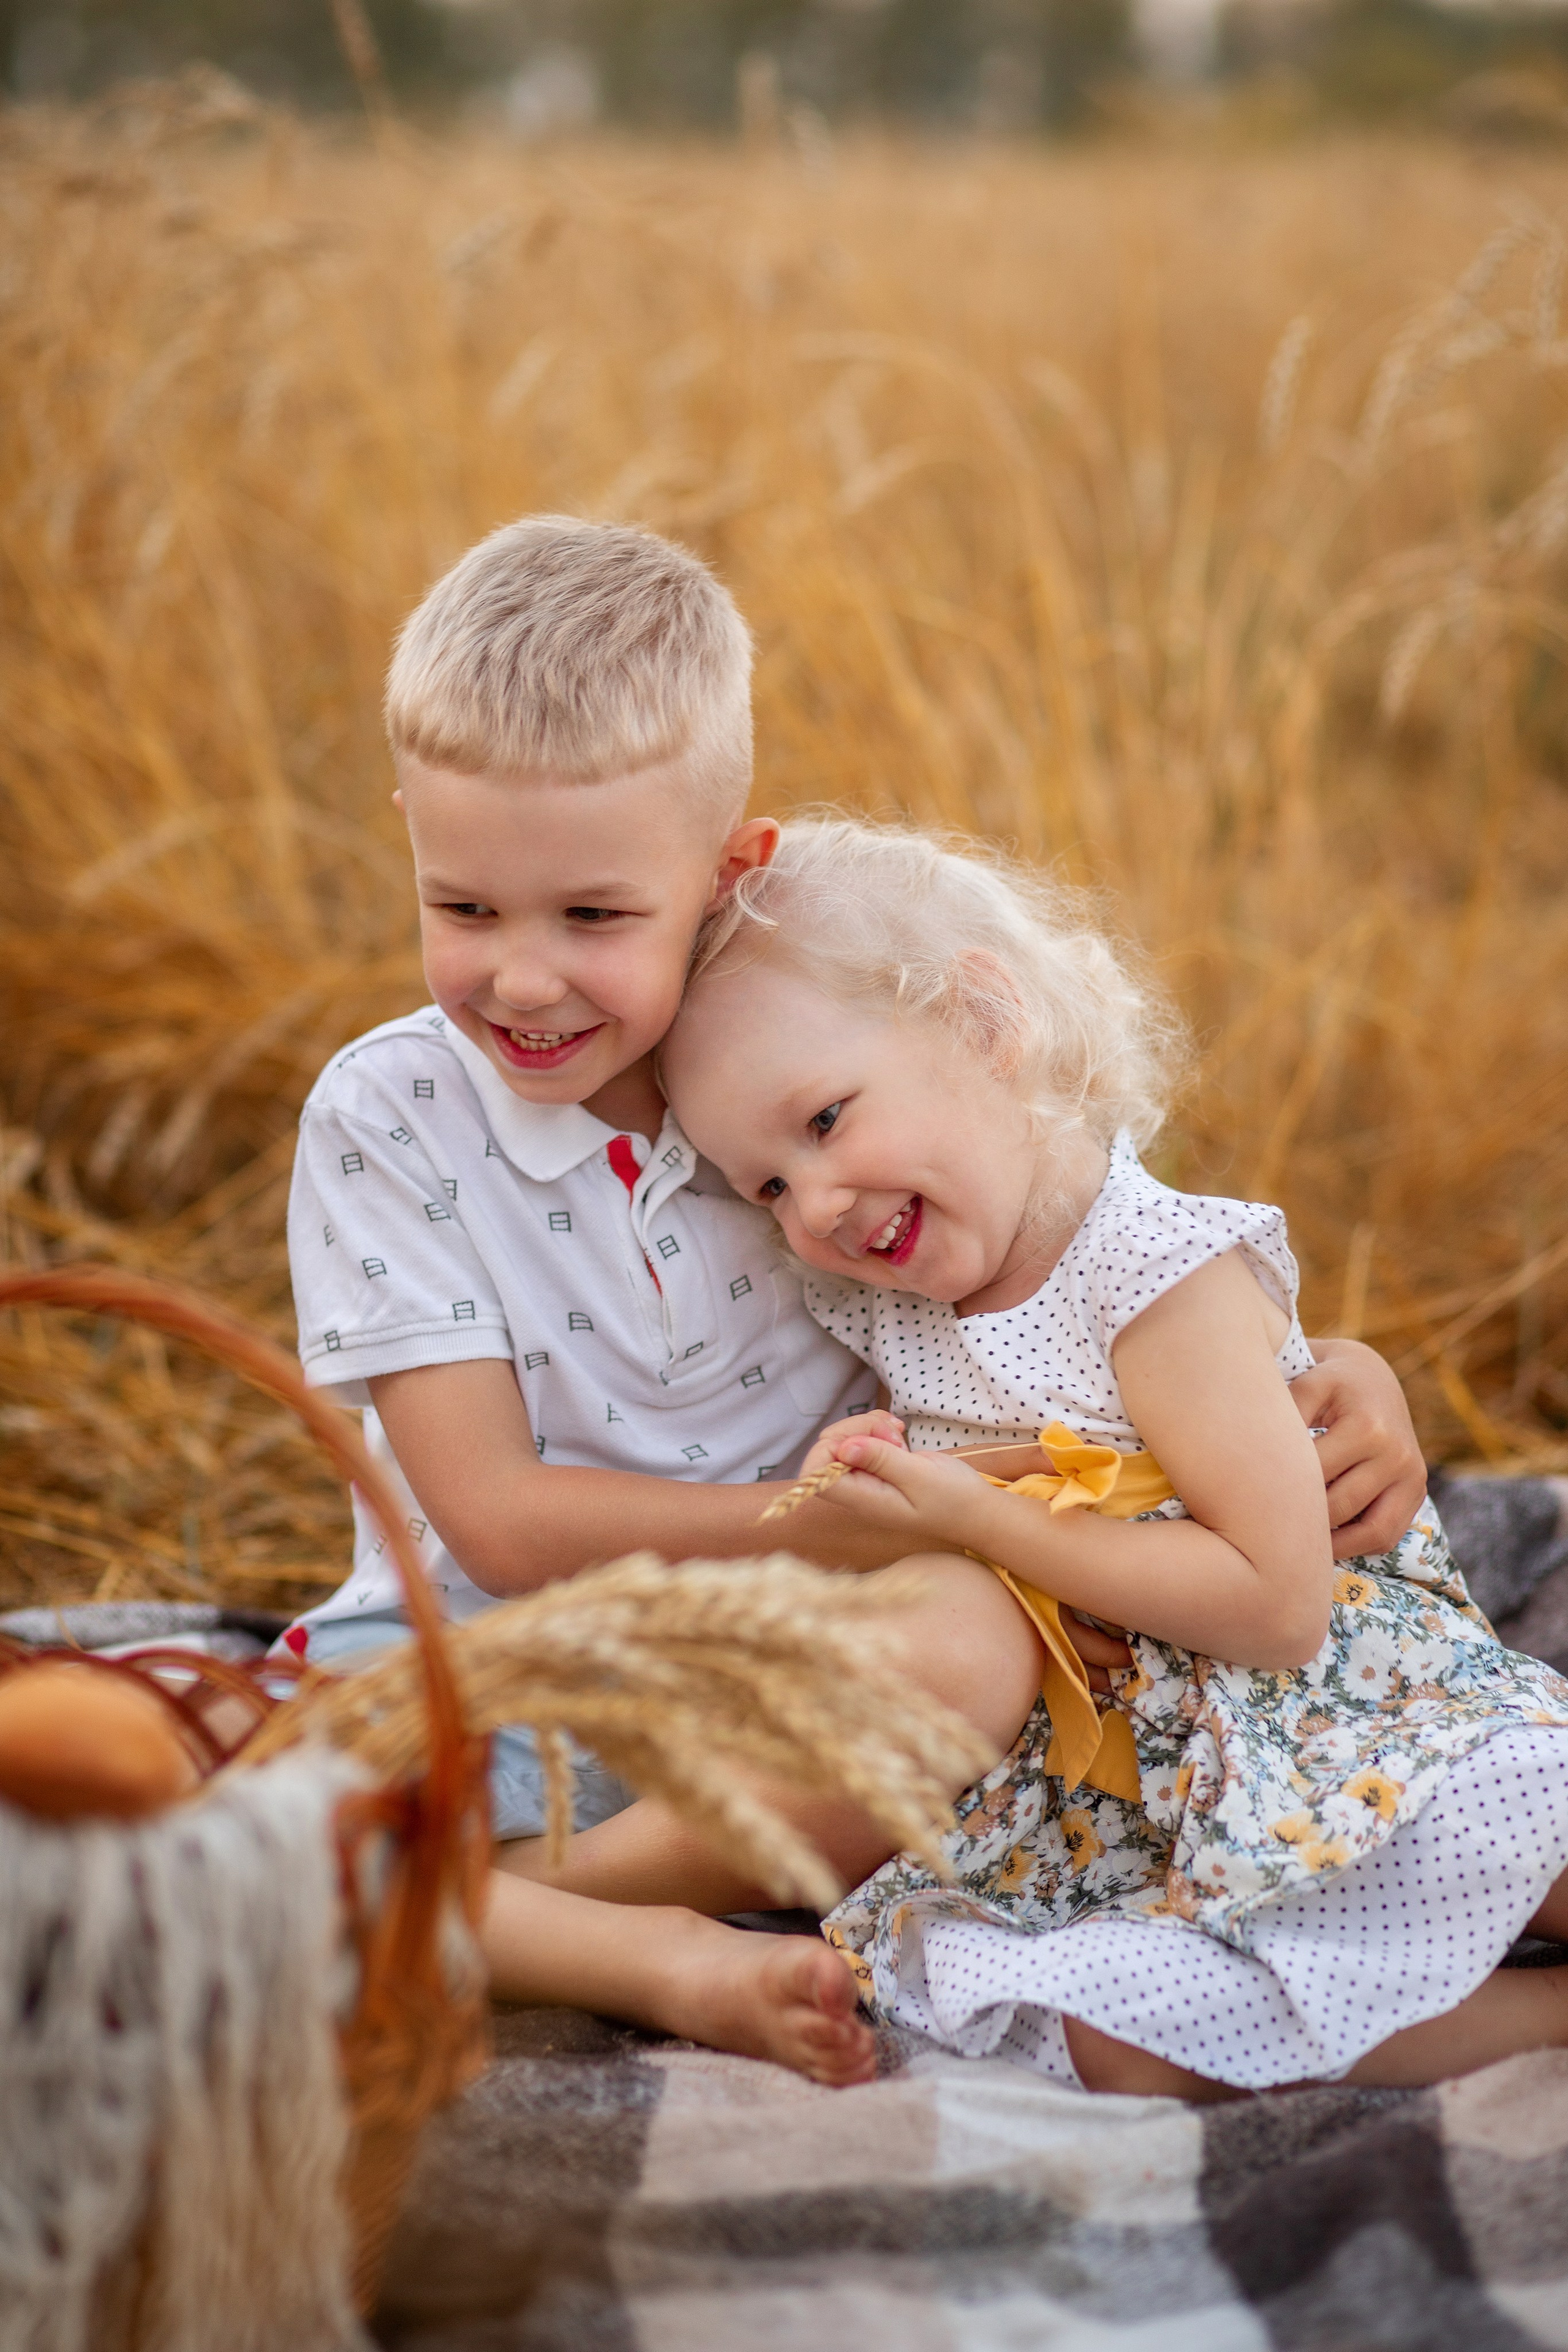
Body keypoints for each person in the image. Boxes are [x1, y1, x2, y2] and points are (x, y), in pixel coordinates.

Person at [283, 516, 1427, 2082]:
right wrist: (872, 1525)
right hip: (489, 1676)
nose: (524, 981)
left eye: (594, 917)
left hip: (786, 1693)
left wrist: (1327, 1372)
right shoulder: (391, 1115)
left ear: (724, 873)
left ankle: (510, 1922)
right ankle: (642, 1950)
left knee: (971, 1648)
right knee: (261, 1829)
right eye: (463, 909)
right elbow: (492, 1520)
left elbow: (1092, 1279)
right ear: (411, 836)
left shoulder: (812, 1081)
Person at [647, 813, 1568, 2101]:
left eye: (826, 1120)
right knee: (1122, 2039)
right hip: (1142, 1815)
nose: (816, 1208)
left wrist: (981, 1520)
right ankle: (1542, 2020)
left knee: (1516, 1827)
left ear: (983, 1022)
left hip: (1343, 1729)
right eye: (767, 1188)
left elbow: (1279, 1604)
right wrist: (860, 1476)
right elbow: (928, 1519)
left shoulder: (1150, 1273)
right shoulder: (893, 1310)